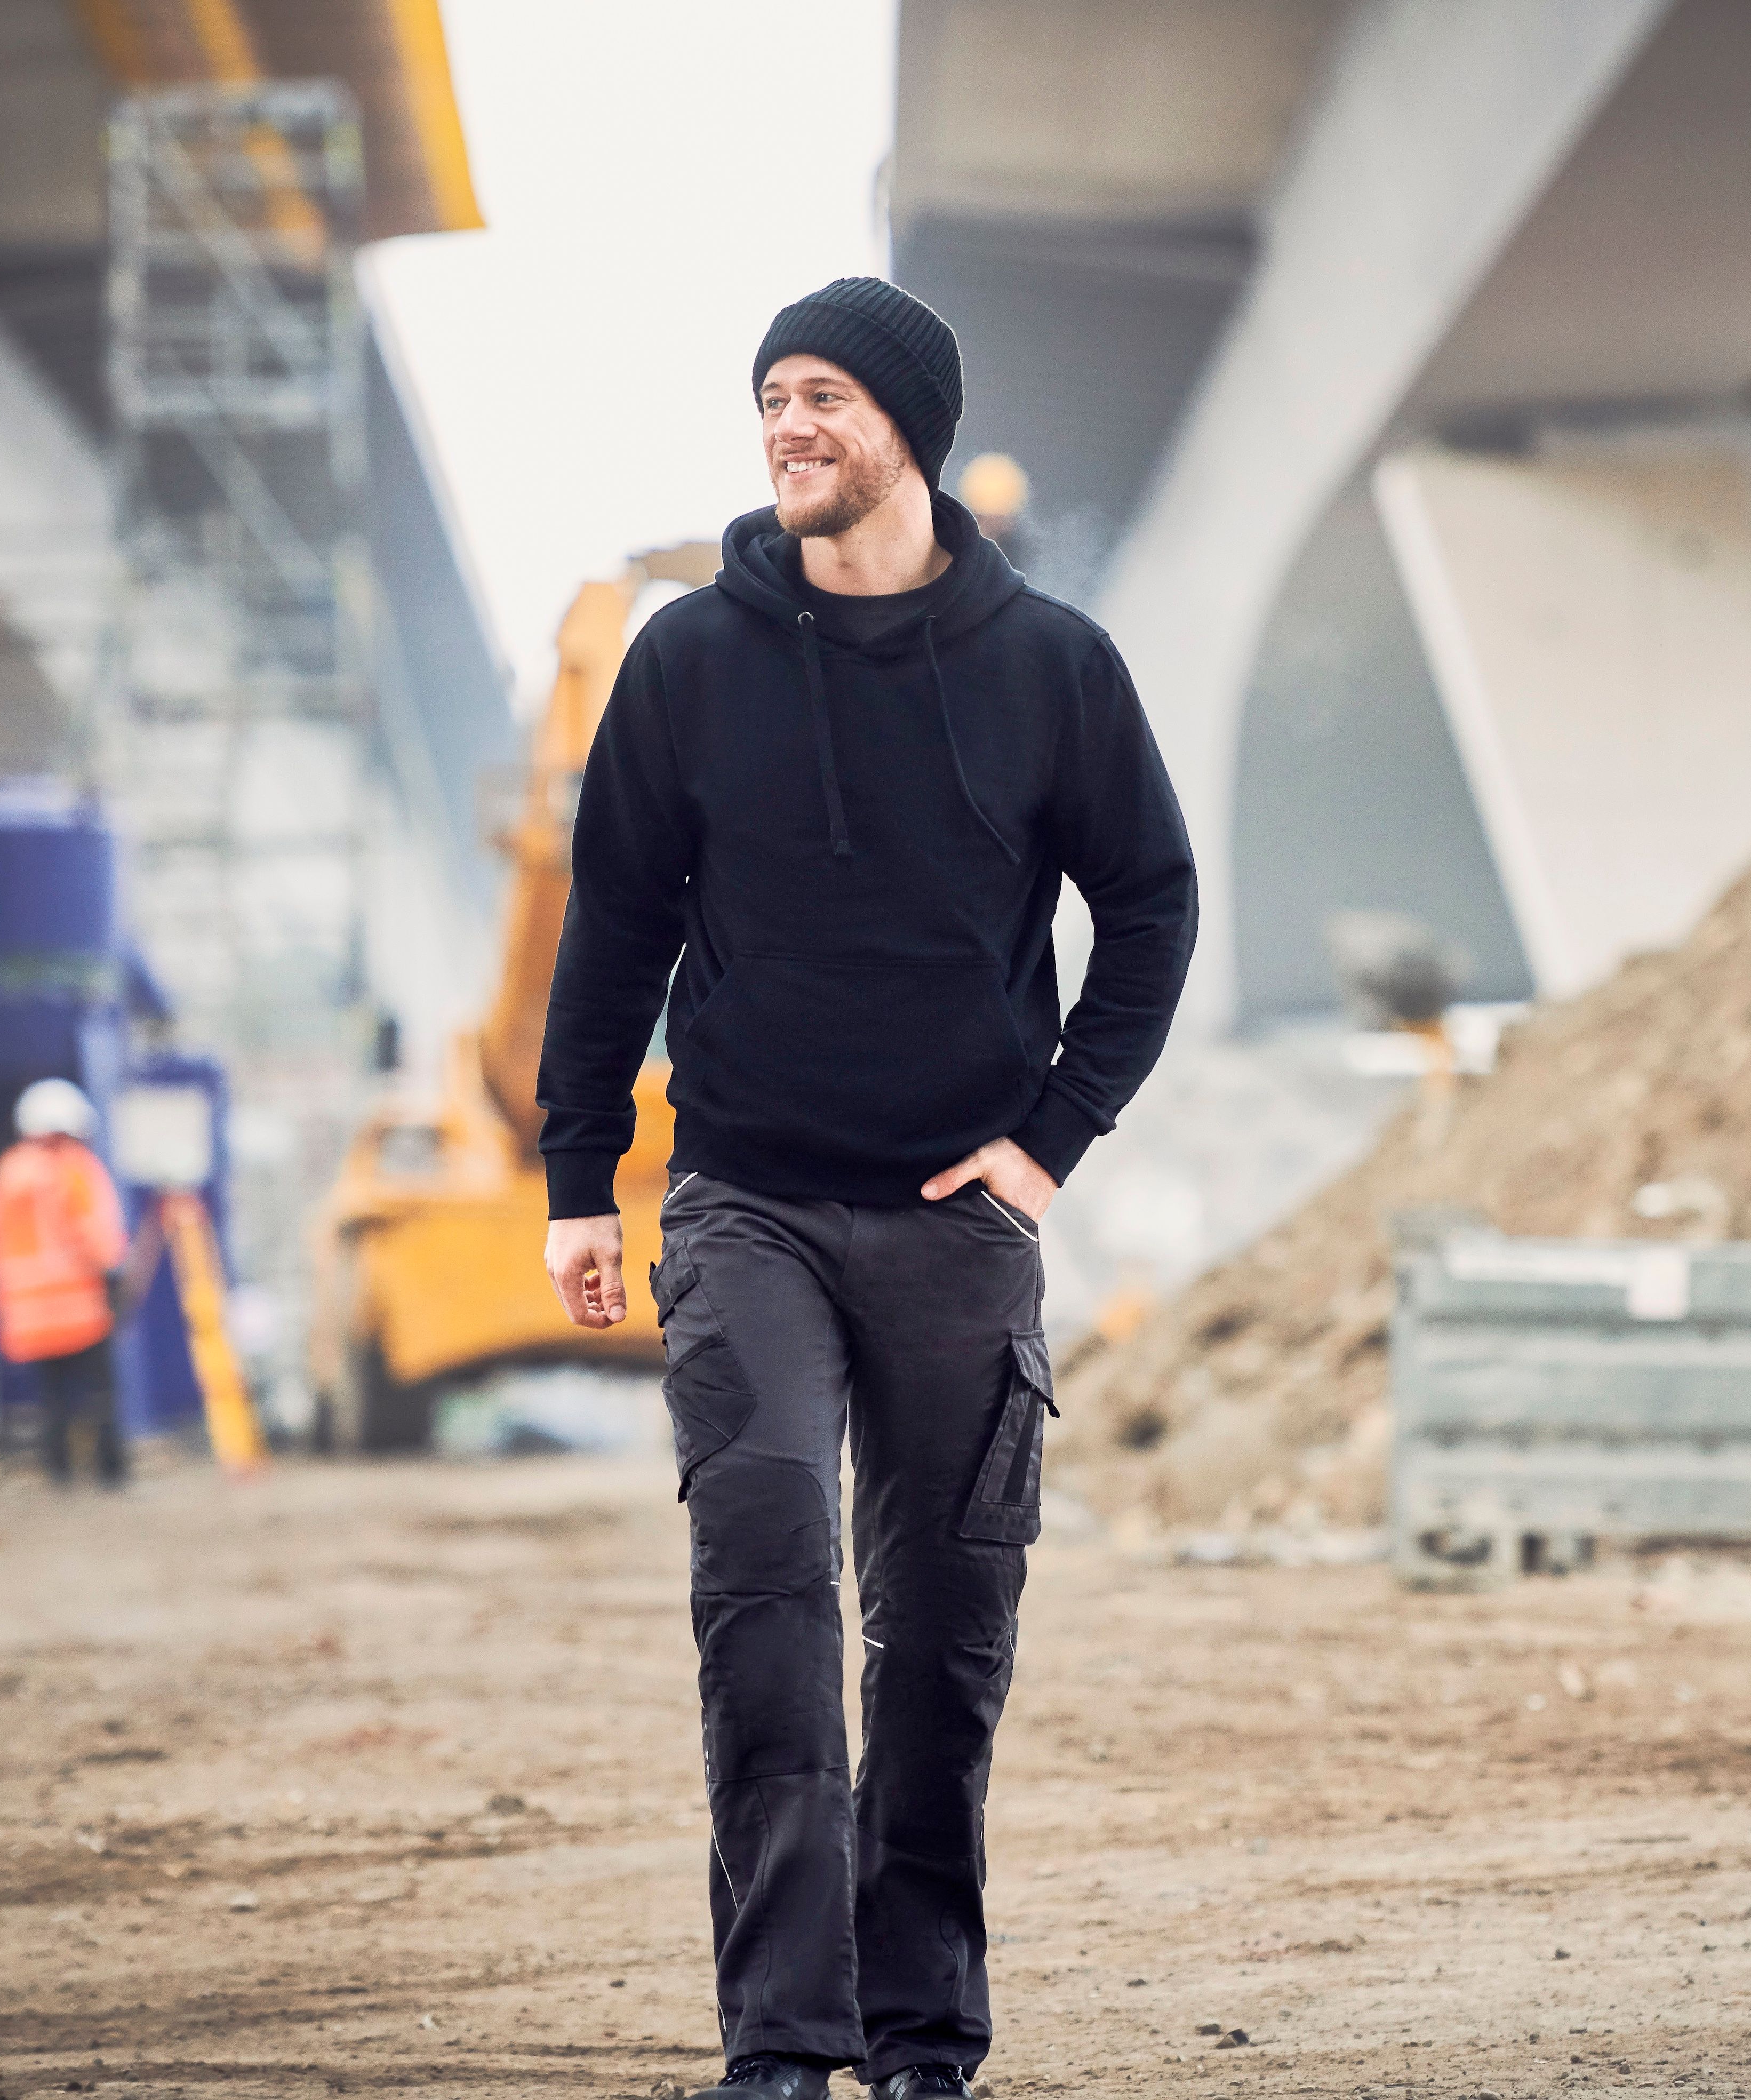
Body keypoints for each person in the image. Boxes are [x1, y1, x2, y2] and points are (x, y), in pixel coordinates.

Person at [537, 278, 1196, 2100]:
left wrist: (1051, 1141)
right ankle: (782, 2038)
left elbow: (1148, 902)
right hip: (741, 1196)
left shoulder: (1050, 665)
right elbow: (612, 926)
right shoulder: (688, 661)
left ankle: (920, 2033)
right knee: (762, 1588)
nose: (784, 426)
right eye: (768, 397)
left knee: (939, 1642)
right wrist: (577, 1174)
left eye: (821, 393)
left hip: (956, 1222)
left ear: (904, 419)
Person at [0, 1079, 130, 1488]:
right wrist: (115, 1276)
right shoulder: (74, 1168)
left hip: (28, 1312)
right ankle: (110, 1472)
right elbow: (95, 1231)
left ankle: (59, 1473)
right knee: (100, 1393)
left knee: (52, 1398)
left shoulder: (8, 1172)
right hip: (78, 1304)